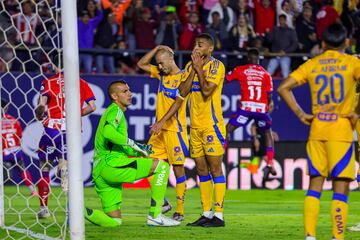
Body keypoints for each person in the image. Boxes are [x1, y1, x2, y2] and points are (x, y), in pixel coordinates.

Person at [277, 23, 360, 240]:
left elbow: (283, 87)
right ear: (347, 42)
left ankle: (310, 236)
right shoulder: (352, 62)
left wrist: (300, 114)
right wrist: (356, 113)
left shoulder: (313, 64)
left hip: (317, 129)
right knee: (340, 187)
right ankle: (336, 236)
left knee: (315, 185)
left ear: (322, 44)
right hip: (341, 131)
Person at [84, 80, 180, 227]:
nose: (130, 94)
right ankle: (156, 214)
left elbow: (117, 143)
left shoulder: (113, 112)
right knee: (162, 167)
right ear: (114, 96)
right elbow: (108, 133)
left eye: (129, 90)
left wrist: (138, 152)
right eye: (125, 91)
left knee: (114, 222)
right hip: (111, 165)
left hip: (100, 172)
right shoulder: (115, 110)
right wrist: (134, 144)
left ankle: (75, 212)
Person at [34, 58, 96, 219]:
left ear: (56, 65)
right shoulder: (81, 82)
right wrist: (74, 115)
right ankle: (70, 204)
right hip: (70, 130)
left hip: (51, 129)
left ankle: (44, 209)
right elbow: (92, 107)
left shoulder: (49, 81)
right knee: (67, 164)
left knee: (44, 167)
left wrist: (41, 111)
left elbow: (42, 103)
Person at [179, 33, 226, 227]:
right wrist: (193, 70)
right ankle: (206, 213)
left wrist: (199, 69)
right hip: (195, 126)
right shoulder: (191, 66)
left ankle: (219, 215)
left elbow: (207, 91)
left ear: (210, 49)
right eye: (195, 44)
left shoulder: (217, 66)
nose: (197, 48)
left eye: (201, 45)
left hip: (212, 125)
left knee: (215, 168)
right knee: (201, 169)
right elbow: (182, 92)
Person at [137, 45, 189, 221]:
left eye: (161, 63)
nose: (159, 67)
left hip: (175, 130)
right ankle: (164, 202)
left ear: (170, 59)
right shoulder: (161, 75)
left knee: (179, 170)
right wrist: (157, 48)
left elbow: (178, 104)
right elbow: (141, 63)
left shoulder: (184, 77)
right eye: (157, 64)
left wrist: (161, 121)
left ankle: (180, 211)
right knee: (147, 165)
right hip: (159, 131)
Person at [225, 48, 276, 182]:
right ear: (258, 60)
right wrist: (268, 103)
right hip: (261, 109)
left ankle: (220, 155)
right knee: (268, 134)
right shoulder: (266, 74)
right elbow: (270, 96)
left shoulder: (240, 70)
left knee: (227, 130)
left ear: (248, 59)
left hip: (246, 108)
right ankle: (270, 162)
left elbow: (225, 79)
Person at [1, 99, 35, 196]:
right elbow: (19, 137)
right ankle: (33, 191)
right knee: (23, 170)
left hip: (3, 154)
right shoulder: (14, 120)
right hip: (16, 152)